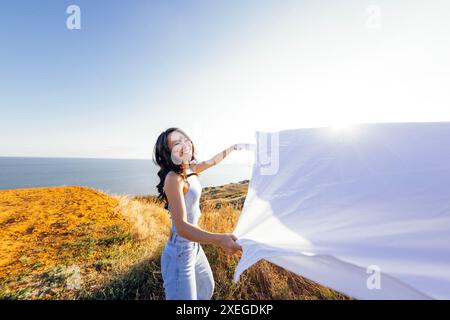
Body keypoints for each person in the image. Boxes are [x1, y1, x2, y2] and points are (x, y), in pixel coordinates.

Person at [153, 127, 246, 300]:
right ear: (168, 152)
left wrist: (232, 148)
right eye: (176, 143)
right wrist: (220, 239)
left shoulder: (190, 169)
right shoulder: (174, 178)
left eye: (185, 139)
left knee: (206, 290)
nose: (184, 144)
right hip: (179, 253)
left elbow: (213, 161)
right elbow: (180, 227)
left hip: (194, 248)